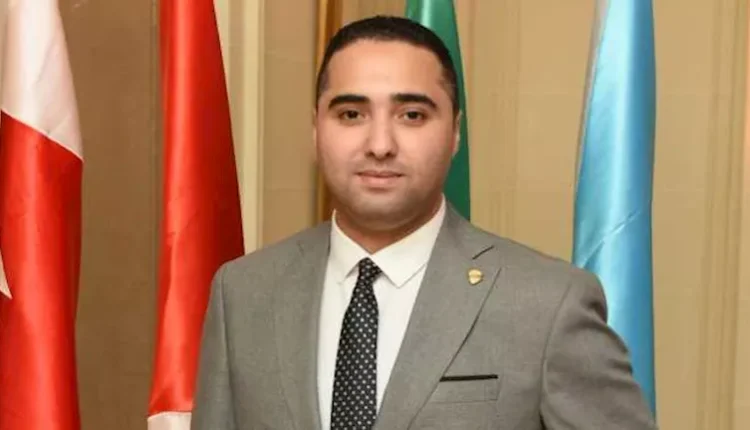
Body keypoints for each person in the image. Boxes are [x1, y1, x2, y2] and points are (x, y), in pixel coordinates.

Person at [191, 15, 656, 430]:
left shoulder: (549, 304)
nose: (380, 144)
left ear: (455, 132)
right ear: (316, 129)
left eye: (412, 115)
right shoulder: (243, 293)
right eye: (351, 114)